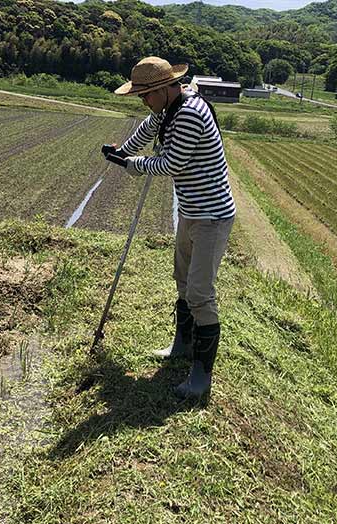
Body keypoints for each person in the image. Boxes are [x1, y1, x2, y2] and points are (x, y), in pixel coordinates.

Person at [112, 56, 236, 399]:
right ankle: (182, 346)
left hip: (212, 216)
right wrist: (123, 150)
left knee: (200, 292)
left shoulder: (191, 114)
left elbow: (172, 163)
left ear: (165, 88)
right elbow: (148, 129)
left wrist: (131, 163)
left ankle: (201, 374)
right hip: (191, 211)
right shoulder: (168, 108)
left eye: (145, 95)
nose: (143, 102)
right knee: (182, 281)